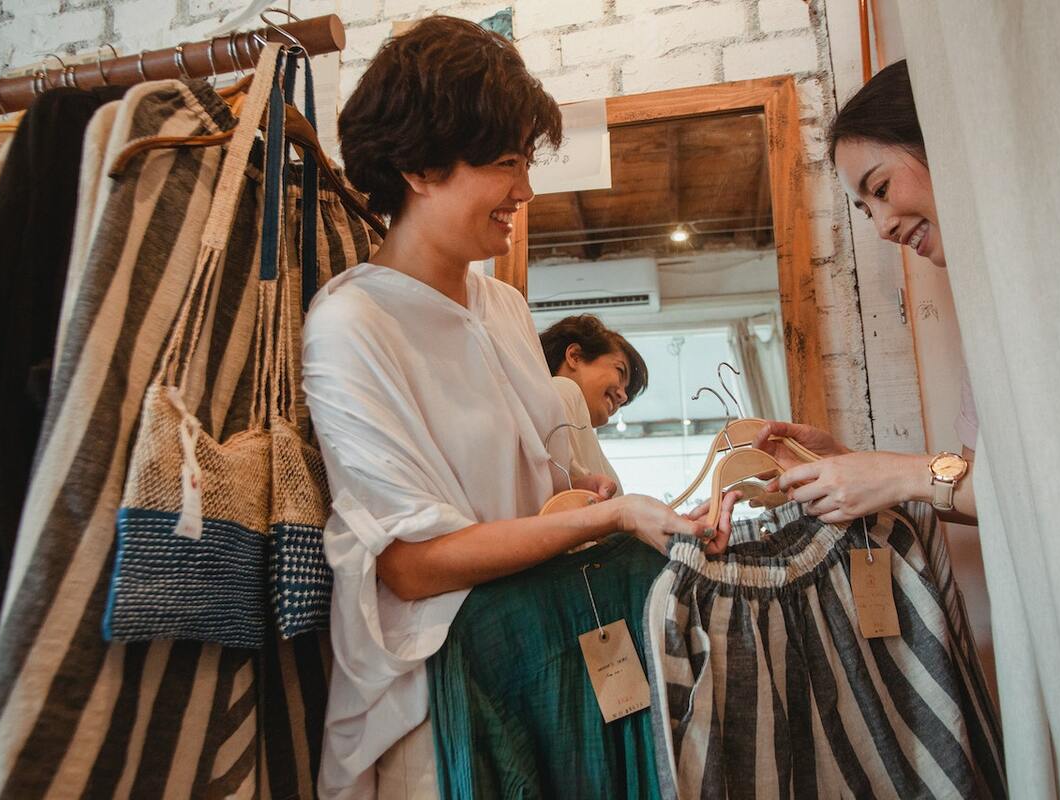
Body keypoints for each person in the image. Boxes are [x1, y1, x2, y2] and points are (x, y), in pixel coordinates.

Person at [301, 17, 738, 798]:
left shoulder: (500, 305)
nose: (525, 191)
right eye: (506, 163)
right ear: (418, 166)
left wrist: (578, 485)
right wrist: (604, 520)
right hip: (437, 705)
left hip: (546, 662)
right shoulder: (351, 326)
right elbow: (409, 565)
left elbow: (523, 480)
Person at [756, 59, 978, 526]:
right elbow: (981, 485)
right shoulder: (990, 312)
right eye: (865, 210)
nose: (883, 227)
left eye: (880, 188)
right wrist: (848, 462)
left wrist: (895, 475)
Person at [539, 314, 648, 493]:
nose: (623, 397)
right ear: (575, 356)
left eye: (626, 391)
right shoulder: (562, 389)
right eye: (620, 371)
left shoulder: (584, 438)